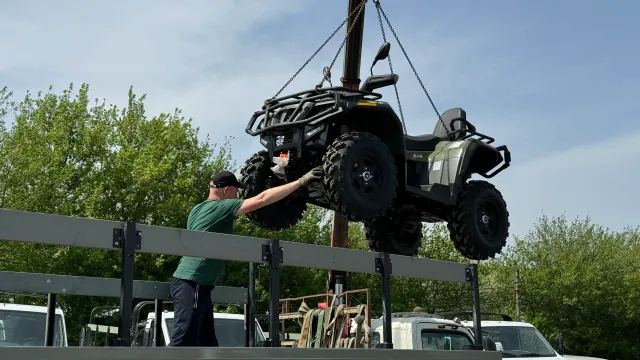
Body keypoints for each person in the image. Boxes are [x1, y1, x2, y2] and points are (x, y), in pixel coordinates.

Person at [168, 166, 323, 347]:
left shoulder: (197, 209)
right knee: (183, 341)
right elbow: (262, 199)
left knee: (207, 344)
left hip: (195, 283)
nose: (238, 196)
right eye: (236, 191)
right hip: (193, 282)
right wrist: (300, 182)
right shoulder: (223, 206)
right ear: (226, 190)